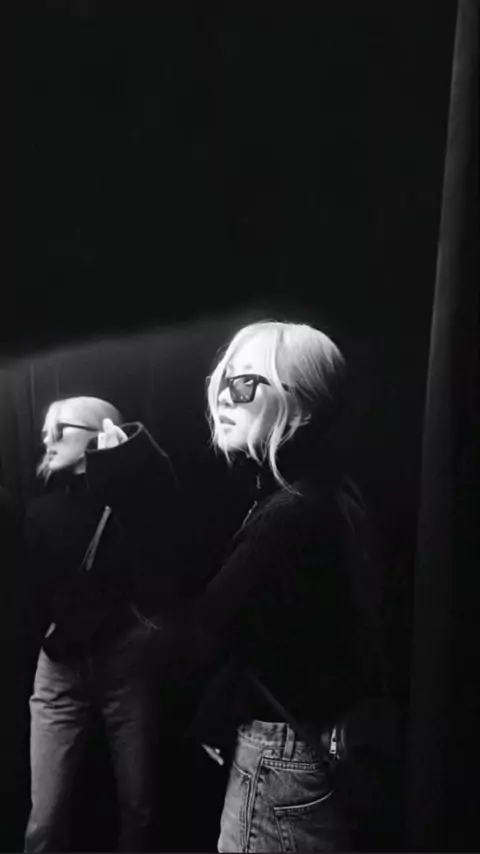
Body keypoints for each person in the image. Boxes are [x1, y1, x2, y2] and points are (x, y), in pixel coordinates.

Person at [98, 320, 387, 852]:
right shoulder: (317, 495)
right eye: (222, 381)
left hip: (282, 763)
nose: (223, 398)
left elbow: (190, 636)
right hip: (305, 753)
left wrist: (137, 486)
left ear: (302, 405)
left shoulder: (290, 514)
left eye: (246, 383)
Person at [22, 396, 184, 853]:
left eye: (60, 429)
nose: (47, 439)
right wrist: (48, 635)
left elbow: (166, 559)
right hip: (59, 670)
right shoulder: (40, 511)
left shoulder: (135, 508)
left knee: (139, 806)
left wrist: (127, 463)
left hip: (124, 665)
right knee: (44, 820)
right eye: (45, 431)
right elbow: (26, 594)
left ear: (100, 433)